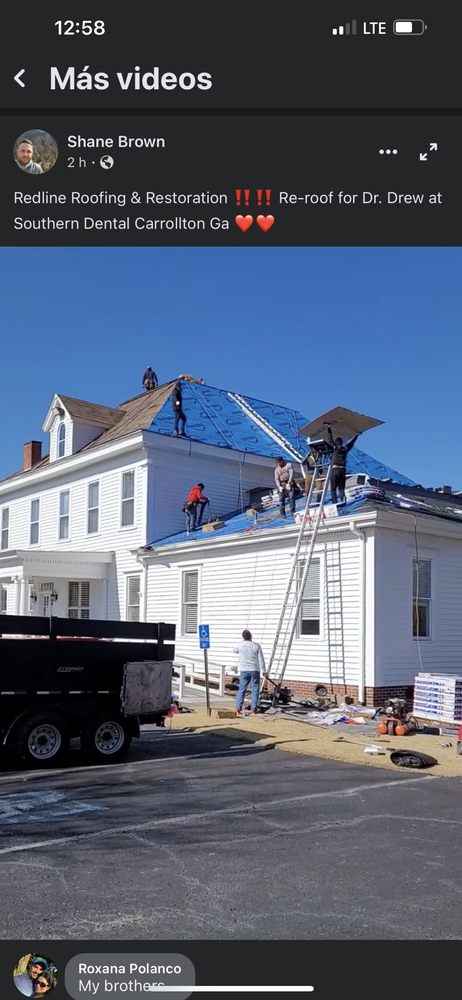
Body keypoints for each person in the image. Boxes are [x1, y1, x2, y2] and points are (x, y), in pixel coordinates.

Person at [233, 629, 267, 715]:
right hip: (255, 669)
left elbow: (235, 650)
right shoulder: (256, 645)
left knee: (242, 689)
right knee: (255, 689)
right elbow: (261, 659)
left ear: (243, 637)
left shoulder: (240, 645)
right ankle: (254, 709)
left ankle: (238, 708)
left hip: (244, 670)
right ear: (251, 636)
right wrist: (264, 671)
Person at [326, 425, 359, 504]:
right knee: (341, 488)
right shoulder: (345, 449)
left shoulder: (335, 448)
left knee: (333, 488)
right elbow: (352, 443)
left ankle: (334, 503)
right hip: (342, 470)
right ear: (341, 443)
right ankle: (343, 501)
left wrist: (329, 429)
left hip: (335, 470)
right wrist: (357, 435)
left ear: (336, 443)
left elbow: (330, 439)